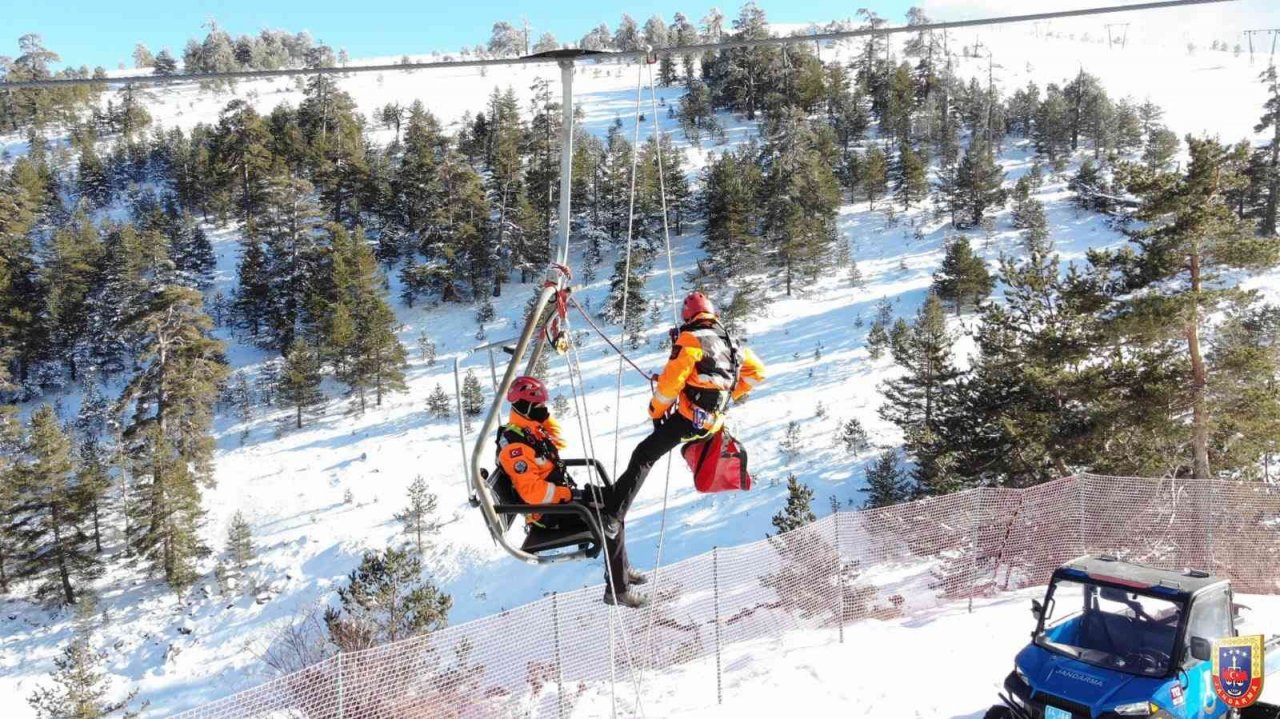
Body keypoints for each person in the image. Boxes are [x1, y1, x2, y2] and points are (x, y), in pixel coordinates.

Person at [603, 292, 766, 535]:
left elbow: (670, 385)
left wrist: (655, 411)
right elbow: (758, 372)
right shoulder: (731, 342)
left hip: (690, 420)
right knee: (649, 452)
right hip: (713, 421)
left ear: (687, 317)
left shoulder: (691, 339)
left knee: (644, 455)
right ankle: (614, 495)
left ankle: (613, 517)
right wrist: (729, 394)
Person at [497, 376, 648, 608]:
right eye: (538, 405)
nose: (543, 408)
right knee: (610, 516)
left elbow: (559, 441)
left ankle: (621, 570)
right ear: (525, 406)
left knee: (616, 502)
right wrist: (569, 495)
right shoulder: (515, 447)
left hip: (560, 501)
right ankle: (618, 590)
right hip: (547, 513)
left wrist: (544, 419)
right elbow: (533, 494)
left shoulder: (530, 430)